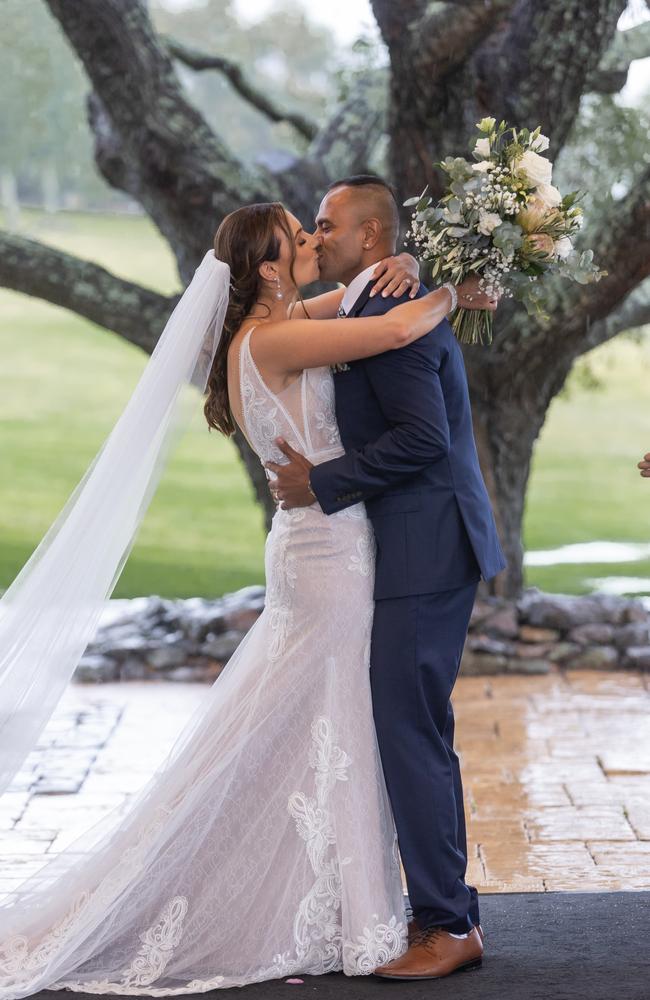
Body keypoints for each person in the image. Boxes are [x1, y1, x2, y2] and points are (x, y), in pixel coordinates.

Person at [0, 201, 496, 996]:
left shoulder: (278, 323)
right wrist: (455, 294)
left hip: (315, 551)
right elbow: (395, 331)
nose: (310, 241)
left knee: (320, 724)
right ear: (267, 268)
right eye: (298, 236)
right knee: (330, 723)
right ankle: (373, 908)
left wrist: (414, 270)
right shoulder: (274, 338)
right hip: (330, 558)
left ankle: (371, 906)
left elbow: (365, 295)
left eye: (318, 229)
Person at [270, 176, 506, 981]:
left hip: (424, 548)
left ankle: (446, 923)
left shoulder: (385, 313)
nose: (316, 234)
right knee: (419, 734)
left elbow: (424, 441)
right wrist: (436, 279)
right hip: (417, 546)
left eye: (328, 225)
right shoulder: (367, 298)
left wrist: (323, 483)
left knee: (411, 736)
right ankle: (446, 909)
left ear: (369, 237)